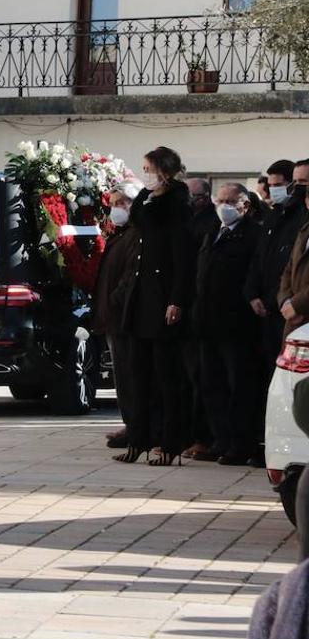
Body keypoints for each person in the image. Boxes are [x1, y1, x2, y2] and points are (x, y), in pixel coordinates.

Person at [117, 146, 194, 466]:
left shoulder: (176, 203)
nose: (145, 173)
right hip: (141, 298)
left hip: (162, 298)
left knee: (166, 378)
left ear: (164, 170)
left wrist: (176, 299)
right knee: (138, 375)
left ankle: (170, 442)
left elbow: (182, 259)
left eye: (149, 168)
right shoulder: (146, 202)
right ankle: (139, 438)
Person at [192, 183, 261, 464]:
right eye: (219, 200)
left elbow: (253, 275)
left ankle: (240, 443)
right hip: (208, 322)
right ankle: (220, 439)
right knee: (211, 384)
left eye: (229, 201)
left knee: (238, 387)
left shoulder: (253, 235)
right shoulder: (213, 232)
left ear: (244, 205)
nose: (223, 206)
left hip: (236, 323)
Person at [247, 159, 309, 466]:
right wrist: (276, 298)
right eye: (295, 184)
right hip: (281, 313)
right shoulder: (286, 219)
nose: (298, 190)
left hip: (300, 316)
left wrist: (296, 304)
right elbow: (282, 267)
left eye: (303, 183)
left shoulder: (299, 217)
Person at [93, 184, 141, 449]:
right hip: (113, 317)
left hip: (126, 316)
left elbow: (130, 275)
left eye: (123, 202)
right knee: (122, 377)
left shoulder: (137, 234)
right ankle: (130, 423)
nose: (117, 208)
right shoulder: (120, 234)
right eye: (114, 203)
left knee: (130, 375)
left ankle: (137, 427)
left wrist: (115, 301)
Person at [181, 177, 219, 460]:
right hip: (185, 310)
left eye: (192, 195)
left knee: (201, 378)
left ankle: (203, 437)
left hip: (202, 311)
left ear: (205, 197)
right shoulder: (186, 221)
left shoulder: (210, 225)